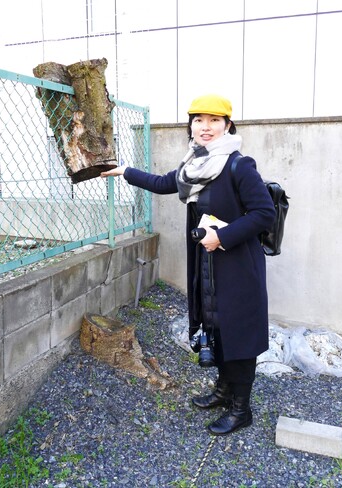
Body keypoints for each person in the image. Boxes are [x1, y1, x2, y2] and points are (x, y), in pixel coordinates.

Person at [100, 94, 276, 436]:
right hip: (209, 264)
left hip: (238, 266)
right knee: (216, 325)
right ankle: (224, 391)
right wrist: (124, 171)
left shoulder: (239, 166)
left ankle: (241, 409)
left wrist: (221, 236)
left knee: (238, 333)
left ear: (227, 125)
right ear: (191, 126)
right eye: (199, 120)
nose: (205, 127)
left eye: (214, 120)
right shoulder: (193, 165)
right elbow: (163, 183)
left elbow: (263, 213)